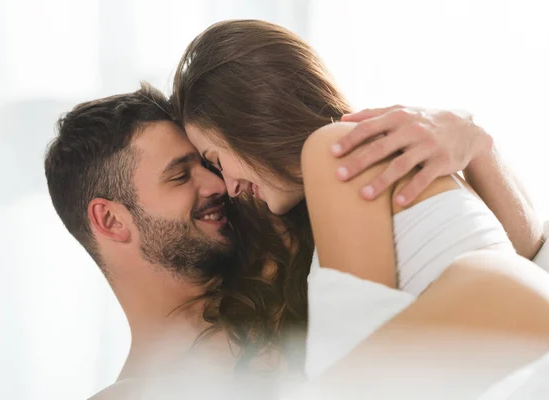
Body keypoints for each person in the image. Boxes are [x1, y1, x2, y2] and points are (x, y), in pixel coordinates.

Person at [171, 19, 549, 397]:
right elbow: (528, 254)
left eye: (216, 159)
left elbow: (357, 377)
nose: (232, 187)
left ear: (248, 118)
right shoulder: (391, 155)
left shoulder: (337, 152)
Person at [44, 84, 292, 399]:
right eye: (179, 176)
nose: (218, 184)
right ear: (111, 220)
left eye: (206, 165)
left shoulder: (286, 262)